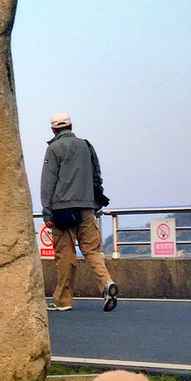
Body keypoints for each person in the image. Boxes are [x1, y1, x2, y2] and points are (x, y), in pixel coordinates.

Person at [41, 113, 118, 312]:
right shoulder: (86, 146)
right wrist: (94, 201)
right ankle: (107, 283)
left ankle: (63, 301)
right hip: (86, 207)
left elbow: (48, 182)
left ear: (53, 130)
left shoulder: (53, 148)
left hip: (62, 210)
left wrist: (47, 213)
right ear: (71, 126)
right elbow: (96, 174)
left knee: (65, 255)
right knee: (91, 250)